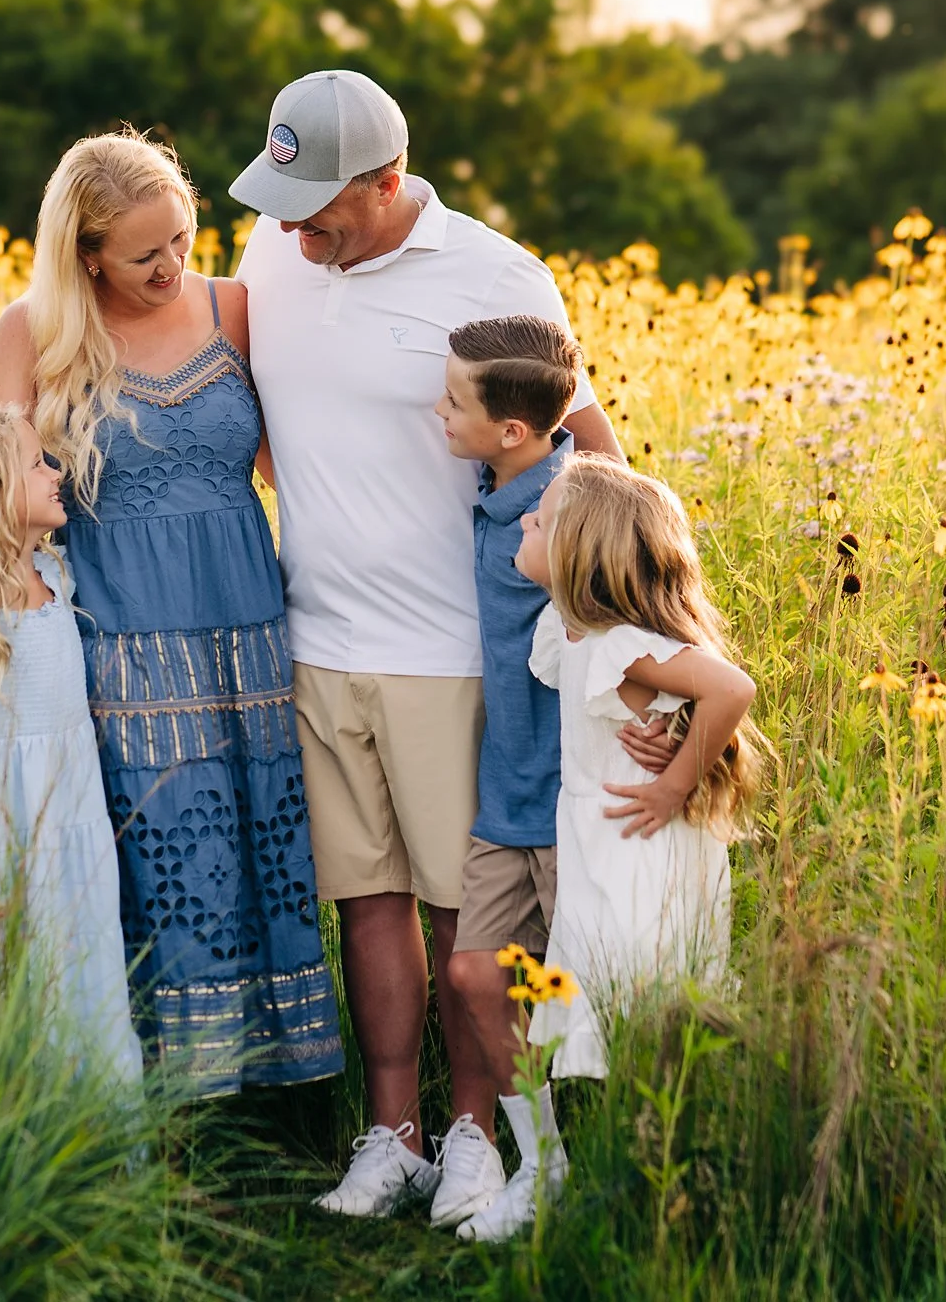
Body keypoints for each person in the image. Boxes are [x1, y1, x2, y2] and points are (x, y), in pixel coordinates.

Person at [228, 69, 662, 1217]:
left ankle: (484, 1131)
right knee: (363, 900)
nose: (288, 226)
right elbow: (268, 423)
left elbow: (592, 462)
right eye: (279, 197)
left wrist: (643, 657)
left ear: (385, 182)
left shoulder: (494, 273)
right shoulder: (272, 251)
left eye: (316, 205)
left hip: (454, 653)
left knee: (465, 915)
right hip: (314, 638)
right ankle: (394, 1133)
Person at [0, 131, 343, 1095]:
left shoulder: (235, 308)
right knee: (159, 851)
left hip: (248, 629)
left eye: (182, 237)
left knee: (268, 838)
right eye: (145, 254)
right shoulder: (35, 332)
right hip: (121, 642)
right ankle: (173, 1093)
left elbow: (303, 466)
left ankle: (283, 1085)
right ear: (85, 254)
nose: (172, 265)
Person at [516, 455, 765, 1137]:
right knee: (603, 984)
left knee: (633, 987)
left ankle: (658, 1146)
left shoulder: (616, 642)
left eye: (545, 515)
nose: (527, 518)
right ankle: (610, 1148)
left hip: (638, 843)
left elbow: (732, 688)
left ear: (580, 551)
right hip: (601, 838)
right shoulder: (569, 630)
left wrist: (674, 782)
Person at [0, 403, 143, 1083]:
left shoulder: (58, 578)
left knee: (82, 978)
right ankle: (11, 1144)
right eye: (37, 463)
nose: (54, 471)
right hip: (0, 832)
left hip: (73, 828)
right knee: (6, 988)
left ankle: (95, 1140)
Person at [424, 314, 580, 1236]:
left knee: (585, 987)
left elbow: (658, 615)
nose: (438, 409)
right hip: (505, 794)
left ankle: (629, 1156)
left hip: (569, 799)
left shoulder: (573, 505)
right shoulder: (496, 483)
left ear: (511, 430)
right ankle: (544, 1161)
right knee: (479, 972)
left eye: (454, 400)